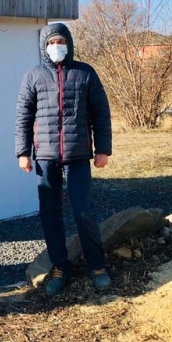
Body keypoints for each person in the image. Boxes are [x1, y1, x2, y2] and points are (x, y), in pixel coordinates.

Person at [15, 23, 113, 295]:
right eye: (50, 42)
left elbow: (100, 113)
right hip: (45, 157)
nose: (55, 46)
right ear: (43, 46)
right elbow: (23, 116)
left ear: (69, 43)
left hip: (78, 155)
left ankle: (97, 266)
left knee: (84, 212)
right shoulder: (33, 76)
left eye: (60, 41)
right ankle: (60, 266)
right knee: (50, 214)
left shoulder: (85, 73)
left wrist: (103, 148)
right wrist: (23, 152)